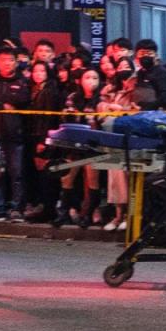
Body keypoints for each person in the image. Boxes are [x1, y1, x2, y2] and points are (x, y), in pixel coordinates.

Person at [54, 68, 104, 228]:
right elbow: (64, 117)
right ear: (80, 80)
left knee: (93, 183)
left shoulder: (101, 100)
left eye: (95, 77)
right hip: (74, 145)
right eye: (87, 77)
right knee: (67, 179)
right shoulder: (73, 98)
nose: (91, 81)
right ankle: (62, 214)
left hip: (93, 147)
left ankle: (87, 216)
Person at [0, 46, 31, 221]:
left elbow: (24, 100)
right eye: (3, 60)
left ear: (16, 62)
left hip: (15, 135)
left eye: (10, 60)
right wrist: (2, 103)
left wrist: (1, 101)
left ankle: (16, 208)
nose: (7, 63)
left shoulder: (22, 81)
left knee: (16, 173)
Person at [97, 57, 139, 232]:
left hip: (131, 141)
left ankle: (131, 216)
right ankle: (117, 216)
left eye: (126, 66)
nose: (123, 69)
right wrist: (109, 107)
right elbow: (100, 109)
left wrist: (120, 110)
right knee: (114, 178)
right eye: (120, 66)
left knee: (130, 177)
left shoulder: (137, 90)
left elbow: (138, 112)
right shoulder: (110, 89)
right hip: (112, 139)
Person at [24, 61, 63, 222]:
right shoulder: (34, 90)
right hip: (34, 136)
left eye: (42, 71)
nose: (38, 74)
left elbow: (48, 118)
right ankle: (44, 207)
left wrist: (43, 141)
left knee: (47, 174)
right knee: (40, 175)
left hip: (44, 138)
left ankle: (49, 209)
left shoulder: (48, 91)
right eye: (35, 71)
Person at [133, 39, 166, 111]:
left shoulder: (162, 73)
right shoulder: (140, 73)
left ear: (155, 55)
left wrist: (147, 108)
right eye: (142, 53)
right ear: (136, 56)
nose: (145, 56)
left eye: (149, 53)